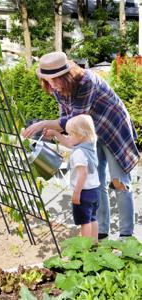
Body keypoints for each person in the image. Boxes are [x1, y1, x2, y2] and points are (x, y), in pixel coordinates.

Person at [23, 51, 140, 240]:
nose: (52, 85)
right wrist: (55, 132)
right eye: (48, 80)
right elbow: (65, 119)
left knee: (120, 182)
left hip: (112, 128)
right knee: (96, 181)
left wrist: (44, 123)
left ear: (66, 75)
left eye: (55, 79)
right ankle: (101, 231)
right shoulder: (58, 89)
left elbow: (75, 119)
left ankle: (127, 236)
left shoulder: (87, 82)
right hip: (90, 133)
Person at [45, 115, 100, 241]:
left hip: (83, 192)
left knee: (84, 222)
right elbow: (71, 143)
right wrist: (55, 134)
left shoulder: (79, 153)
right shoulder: (90, 143)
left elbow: (83, 174)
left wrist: (76, 193)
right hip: (94, 190)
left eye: (70, 134)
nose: (68, 137)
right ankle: (95, 246)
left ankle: (85, 250)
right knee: (93, 218)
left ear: (80, 135)